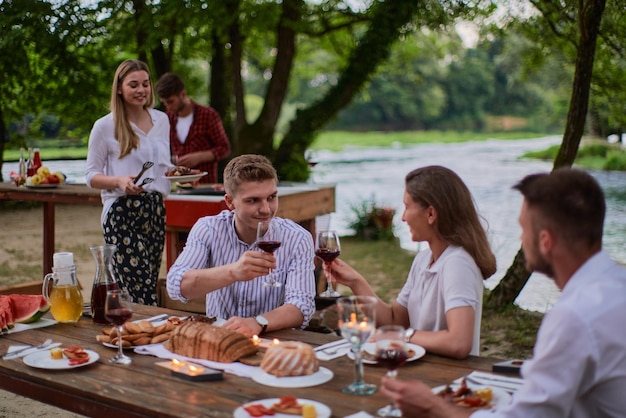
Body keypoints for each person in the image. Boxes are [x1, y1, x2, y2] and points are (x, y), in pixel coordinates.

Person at [381, 167, 626, 417]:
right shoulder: (615, 286)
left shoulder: (573, 318)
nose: (521, 237)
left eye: (523, 228)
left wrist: (431, 406)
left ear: (545, 241)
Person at [325, 165, 496, 358]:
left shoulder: (457, 263)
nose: (403, 217)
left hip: (448, 377)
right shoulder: (424, 260)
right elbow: (395, 320)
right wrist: (354, 281)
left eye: (407, 207)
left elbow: (459, 343)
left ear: (431, 214)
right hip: (421, 370)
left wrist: (404, 337)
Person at [166, 154, 316, 337]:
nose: (266, 209)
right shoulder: (209, 228)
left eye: (271, 197)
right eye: (252, 200)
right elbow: (175, 285)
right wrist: (233, 272)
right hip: (218, 339)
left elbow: (302, 306)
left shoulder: (297, 238)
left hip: (273, 341)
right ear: (229, 202)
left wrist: (258, 323)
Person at [86, 59, 172, 305]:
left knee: (149, 283)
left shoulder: (161, 120)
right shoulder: (104, 126)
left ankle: (133, 337)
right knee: (140, 291)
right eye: (133, 85)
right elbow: (90, 175)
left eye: (145, 84)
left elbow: (163, 167)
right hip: (122, 211)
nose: (141, 90)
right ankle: (142, 338)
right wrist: (119, 181)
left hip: (155, 209)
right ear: (119, 89)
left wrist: (181, 174)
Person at [155, 72, 231, 184]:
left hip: (205, 185)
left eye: (170, 102)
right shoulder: (167, 119)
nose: (168, 106)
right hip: (178, 187)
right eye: (165, 103)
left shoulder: (208, 115)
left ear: (183, 94)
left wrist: (200, 156)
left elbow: (224, 148)